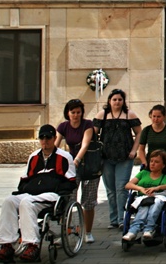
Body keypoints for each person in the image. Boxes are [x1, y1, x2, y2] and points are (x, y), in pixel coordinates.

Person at [0, 125, 76, 263]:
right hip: (32, 193)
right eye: (42, 138)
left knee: (27, 203)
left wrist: (54, 187)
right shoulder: (34, 157)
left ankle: (32, 245)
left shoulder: (64, 157)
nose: (45, 141)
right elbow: (24, 179)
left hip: (52, 195)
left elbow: (71, 182)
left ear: (55, 139)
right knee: (9, 201)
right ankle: (6, 244)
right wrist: (26, 190)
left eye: (48, 138)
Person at [93, 89, 142, 229]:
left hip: (125, 156)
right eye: (114, 99)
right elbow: (93, 133)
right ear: (109, 101)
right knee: (110, 189)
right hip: (106, 157)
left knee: (121, 187)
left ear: (123, 101)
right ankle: (113, 219)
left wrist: (134, 150)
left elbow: (139, 133)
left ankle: (122, 219)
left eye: (120, 99)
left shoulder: (129, 114)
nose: (117, 102)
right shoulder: (102, 115)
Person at [55, 99, 98, 244]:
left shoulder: (87, 124)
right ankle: (66, 232)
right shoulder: (63, 126)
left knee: (88, 200)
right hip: (71, 167)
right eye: (73, 112)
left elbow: (85, 145)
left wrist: (77, 160)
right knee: (68, 198)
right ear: (68, 113)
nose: (75, 115)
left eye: (78, 112)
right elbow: (56, 144)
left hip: (89, 166)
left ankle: (88, 232)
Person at [122, 150, 166, 241]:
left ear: (163, 165)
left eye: (156, 162)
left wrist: (158, 188)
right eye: (151, 161)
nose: (152, 164)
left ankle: (149, 229)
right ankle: (133, 231)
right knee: (143, 208)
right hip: (144, 197)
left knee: (155, 203)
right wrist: (141, 189)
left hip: (159, 197)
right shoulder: (143, 174)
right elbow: (128, 185)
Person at [138, 104, 166, 175]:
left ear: (164, 117)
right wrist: (144, 162)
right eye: (154, 116)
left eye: (158, 117)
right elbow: (141, 149)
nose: (156, 119)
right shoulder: (146, 130)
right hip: (151, 166)